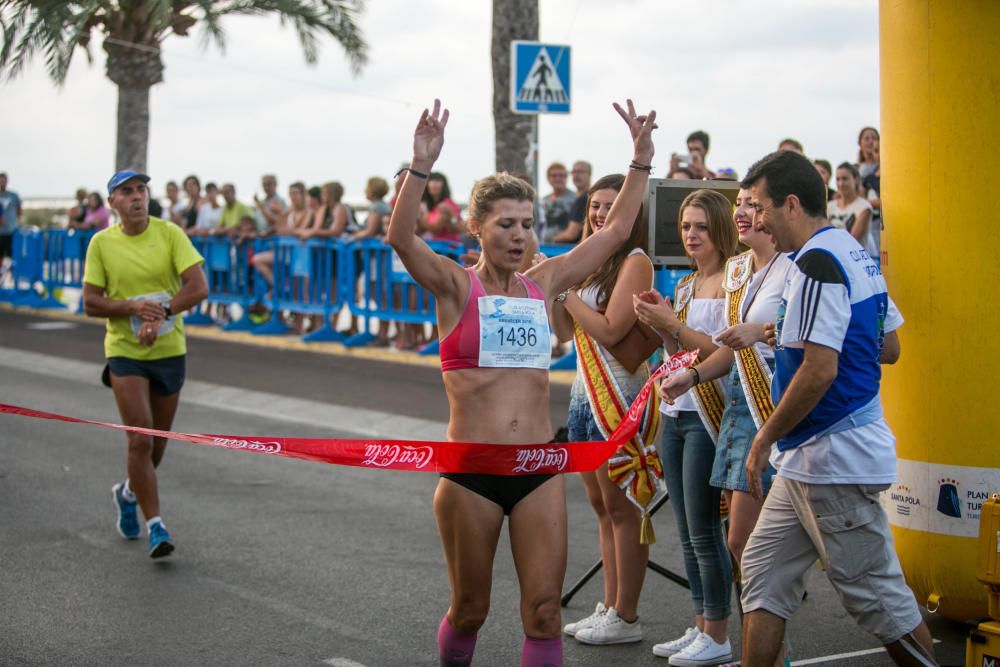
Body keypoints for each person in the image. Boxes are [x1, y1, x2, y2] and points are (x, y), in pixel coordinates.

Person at [387, 98, 656, 667]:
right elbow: (403, 239)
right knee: (471, 610)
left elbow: (616, 233)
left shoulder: (545, 282)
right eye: (505, 224)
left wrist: (641, 161)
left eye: (527, 225)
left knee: (543, 612)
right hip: (472, 472)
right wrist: (420, 166)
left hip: (537, 469)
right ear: (477, 229)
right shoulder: (455, 287)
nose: (519, 235)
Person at [738, 150, 934, 667]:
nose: (755, 220)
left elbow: (819, 370)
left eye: (760, 207)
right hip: (809, 458)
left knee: (879, 601)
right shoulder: (851, 251)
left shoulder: (816, 264)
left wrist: (762, 439)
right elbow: (888, 345)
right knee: (762, 573)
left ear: (792, 205)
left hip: (832, 457)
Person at [659, 187, 795, 661]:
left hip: (747, 414)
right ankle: (709, 627)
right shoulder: (733, 275)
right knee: (712, 535)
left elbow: (807, 334)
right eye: (684, 226)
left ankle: (721, 634)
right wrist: (687, 371)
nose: (743, 213)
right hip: (720, 408)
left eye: (754, 205)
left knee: (729, 539)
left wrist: (763, 332)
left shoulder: (796, 266)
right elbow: (720, 353)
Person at [633, 189, 739, 665]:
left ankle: (717, 631)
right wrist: (660, 322)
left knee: (704, 528)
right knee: (685, 527)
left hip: (711, 412)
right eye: (684, 227)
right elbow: (677, 348)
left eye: (699, 226)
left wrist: (671, 324)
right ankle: (700, 623)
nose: (691, 235)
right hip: (677, 412)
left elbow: (726, 353)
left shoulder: (737, 279)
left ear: (720, 227)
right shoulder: (687, 285)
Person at [550, 173, 654, 646]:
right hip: (581, 394)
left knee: (622, 508)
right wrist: (556, 290)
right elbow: (566, 335)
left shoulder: (635, 261)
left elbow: (612, 330)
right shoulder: (587, 262)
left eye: (611, 206)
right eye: (595, 205)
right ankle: (609, 604)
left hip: (619, 396)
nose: (599, 215)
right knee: (600, 508)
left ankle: (626, 615)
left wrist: (568, 294)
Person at [82, 170, 208, 559]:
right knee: (140, 439)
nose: (137, 196)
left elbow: (198, 287)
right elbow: (91, 302)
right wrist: (133, 307)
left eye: (141, 189)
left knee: (157, 448)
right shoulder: (101, 243)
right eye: (126, 192)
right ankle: (157, 526)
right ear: (112, 203)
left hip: (169, 350)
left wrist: (162, 312)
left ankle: (126, 493)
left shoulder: (169, 233)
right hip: (125, 351)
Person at [828, 162, 876, 258]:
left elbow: (853, 241)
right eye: (838, 179)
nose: (841, 183)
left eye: (845, 179)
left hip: (857, 261)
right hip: (836, 259)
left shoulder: (864, 207)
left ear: (856, 179)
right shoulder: (829, 207)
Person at [552, 160, 592, 244]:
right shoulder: (580, 198)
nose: (576, 175)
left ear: (589, 174)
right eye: (573, 172)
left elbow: (571, 234)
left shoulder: (584, 198)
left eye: (580, 171)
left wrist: (552, 240)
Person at [540, 162, 577, 243]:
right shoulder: (543, 201)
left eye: (561, 176)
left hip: (567, 247)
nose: (558, 178)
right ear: (548, 178)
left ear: (566, 178)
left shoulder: (575, 198)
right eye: (554, 176)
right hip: (545, 246)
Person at [420, 172, 463, 242]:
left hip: (447, 247)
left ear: (444, 186)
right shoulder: (429, 206)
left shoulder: (446, 204)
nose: (434, 184)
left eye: (438, 181)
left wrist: (420, 219)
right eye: (431, 180)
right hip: (435, 245)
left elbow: (436, 229)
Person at [0, 172, 22, 262]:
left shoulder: (14, 196)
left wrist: (15, 222)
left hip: (11, 230)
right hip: (0, 232)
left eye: (3, 180)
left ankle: (12, 273)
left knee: (12, 254)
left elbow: (19, 211)